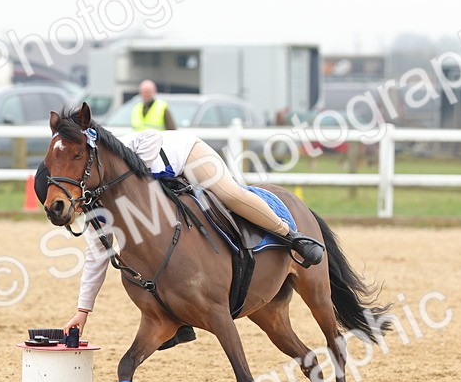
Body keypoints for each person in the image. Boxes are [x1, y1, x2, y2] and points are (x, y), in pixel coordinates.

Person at [38, 128, 325, 345]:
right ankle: (179, 317)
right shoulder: (96, 205)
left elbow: (151, 149)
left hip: (186, 156)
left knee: (229, 194)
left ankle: (292, 236)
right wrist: (83, 311)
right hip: (164, 179)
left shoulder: (117, 158)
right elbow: (96, 256)